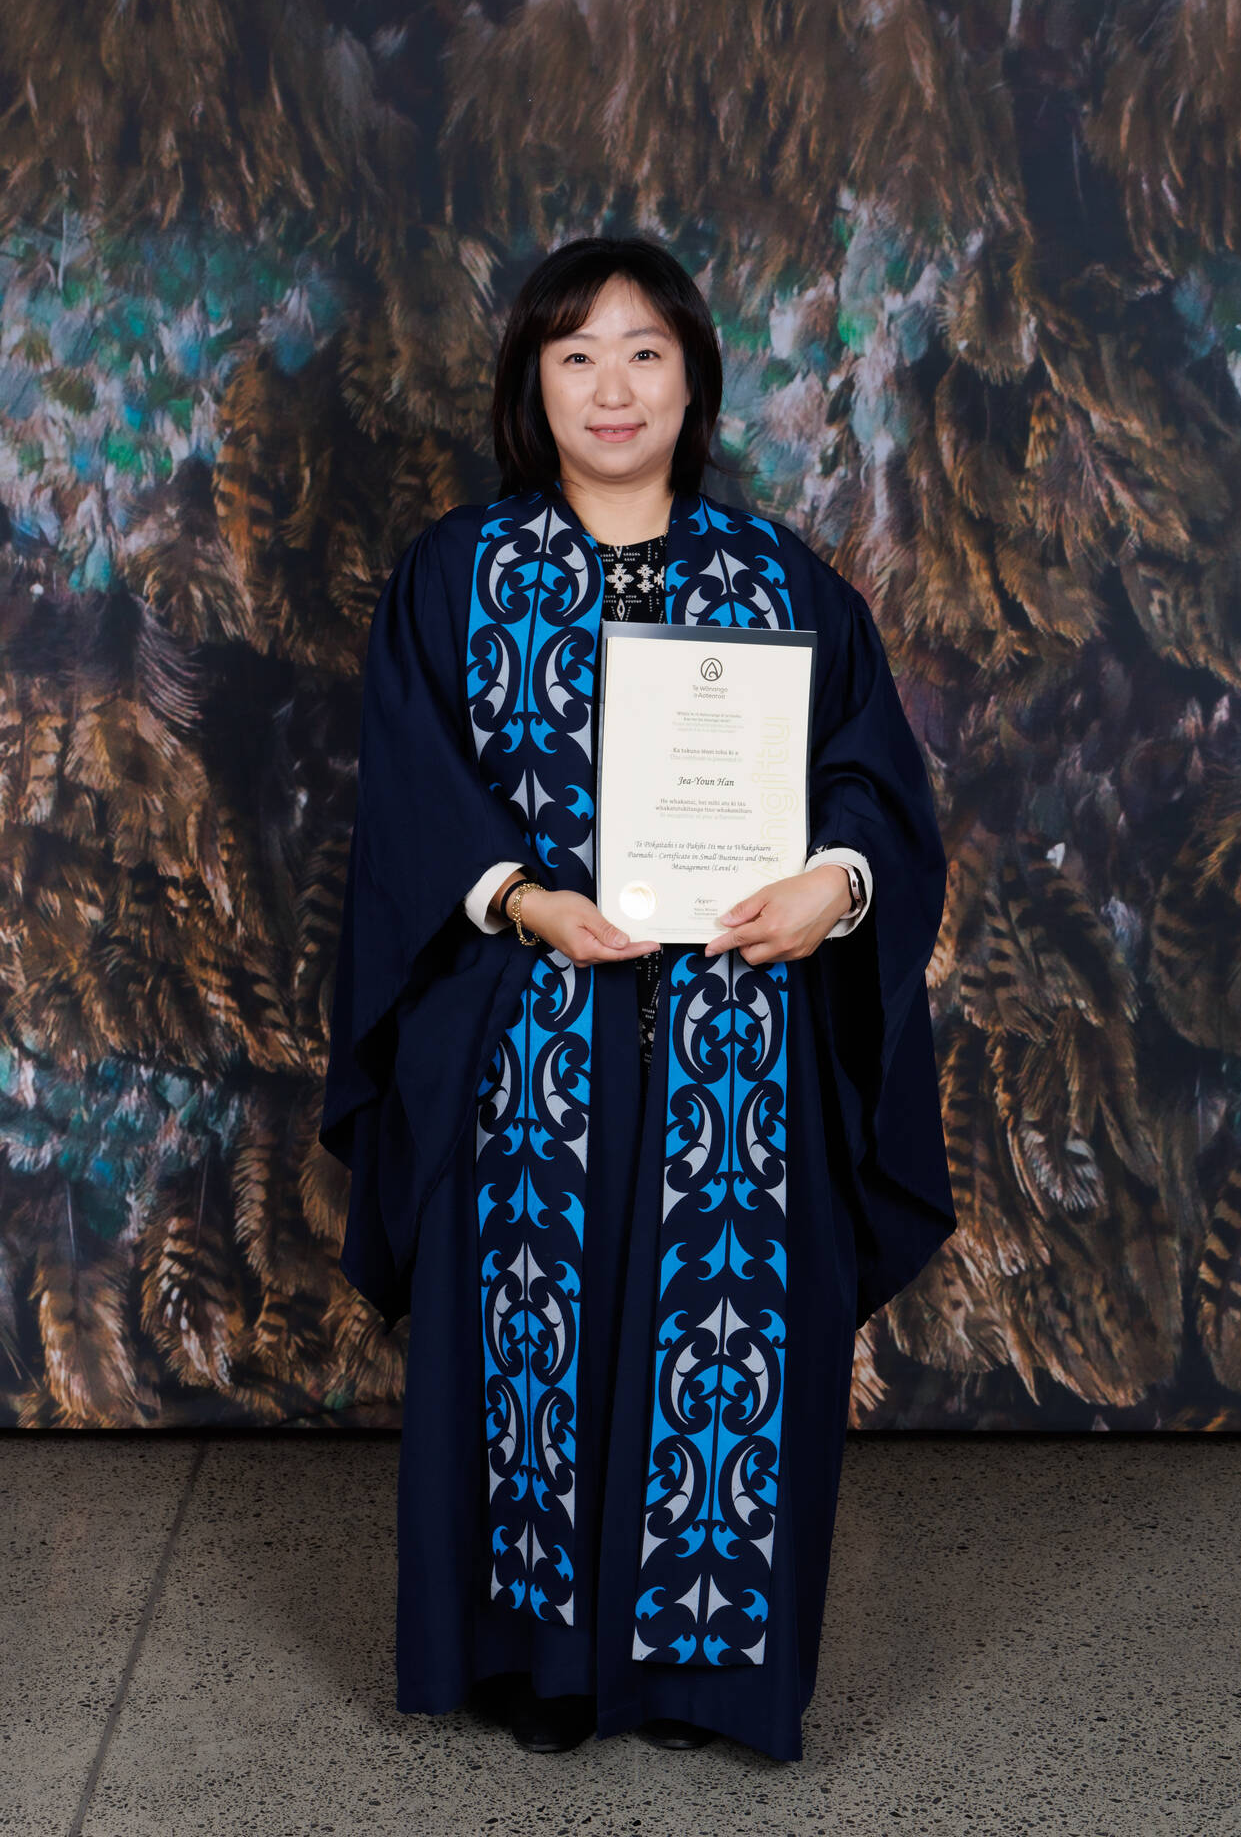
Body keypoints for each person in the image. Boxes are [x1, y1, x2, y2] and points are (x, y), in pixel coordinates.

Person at [318, 234, 956, 1763]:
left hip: (737, 1050)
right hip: (526, 1037)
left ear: (692, 380)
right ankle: (532, 1662)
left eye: (645, 353)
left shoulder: (780, 581)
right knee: (525, 1349)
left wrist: (833, 886)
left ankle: (701, 1677)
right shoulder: (458, 577)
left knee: (724, 1351)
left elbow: (871, 783)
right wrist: (521, 897)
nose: (613, 388)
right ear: (530, 384)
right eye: (576, 355)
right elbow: (409, 792)